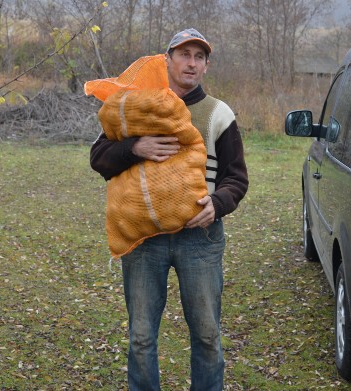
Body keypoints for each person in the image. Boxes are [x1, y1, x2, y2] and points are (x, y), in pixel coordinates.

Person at [90, 28, 248, 391]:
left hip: (201, 238)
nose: (191, 63)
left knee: (207, 334)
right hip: (144, 240)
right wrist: (135, 147)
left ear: (206, 66)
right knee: (142, 336)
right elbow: (98, 159)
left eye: (199, 56)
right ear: (168, 60)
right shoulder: (136, 104)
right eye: (184, 54)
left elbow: (236, 178)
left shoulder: (218, 113)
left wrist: (218, 204)